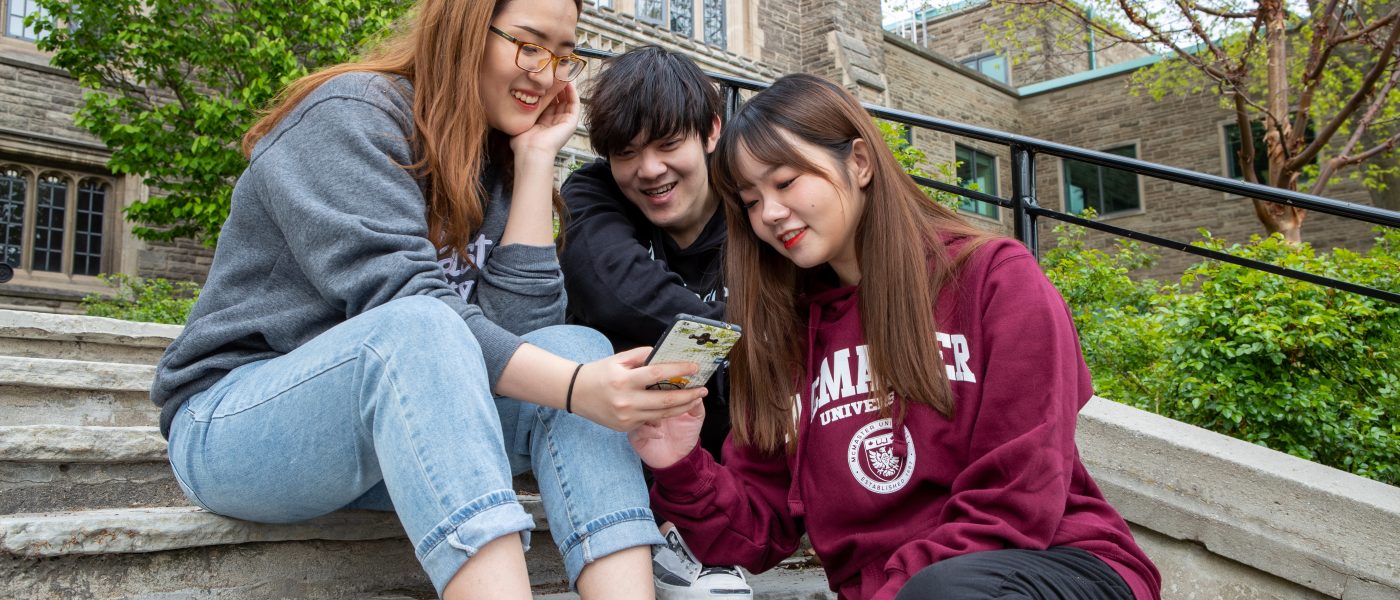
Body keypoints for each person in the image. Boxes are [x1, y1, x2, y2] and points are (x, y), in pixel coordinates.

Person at [150, 2, 710, 599]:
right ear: (464, 25)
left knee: (574, 344)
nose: (546, 74)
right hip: (238, 424)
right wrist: (578, 387)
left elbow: (521, 340)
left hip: (397, 434)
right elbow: (406, 305)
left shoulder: (495, 155)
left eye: (562, 55)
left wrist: (534, 159)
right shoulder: (353, 113)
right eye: (528, 43)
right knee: (423, 326)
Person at [628, 74, 1163, 600]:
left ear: (859, 162)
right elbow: (755, 534)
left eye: (786, 182)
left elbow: (1014, 502)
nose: (769, 213)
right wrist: (681, 461)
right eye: (749, 199)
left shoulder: (993, 278)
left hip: (1054, 566)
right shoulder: (783, 335)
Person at [559, 46, 752, 599]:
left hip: (739, 434)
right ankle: (662, 539)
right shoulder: (593, 192)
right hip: (635, 427)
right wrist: (744, 336)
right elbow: (609, 286)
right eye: (628, 152)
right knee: (598, 342)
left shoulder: (754, 200)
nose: (649, 170)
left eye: (669, 145)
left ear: (712, 130)